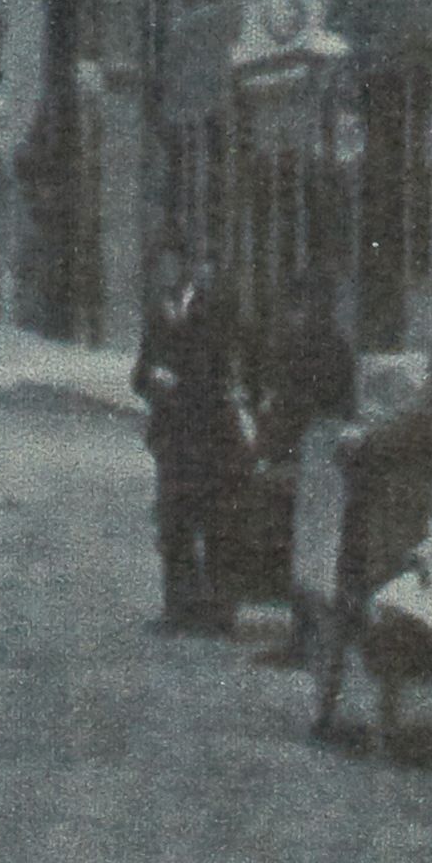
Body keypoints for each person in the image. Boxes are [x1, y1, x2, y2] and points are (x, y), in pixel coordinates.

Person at [132, 252, 254, 631]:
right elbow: (139, 375)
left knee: (217, 520)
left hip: (210, 433)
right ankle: (181, 609)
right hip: (176, 435)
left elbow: (231, 373)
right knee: (176, 521)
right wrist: (154, 382)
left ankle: (217, 610)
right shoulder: (161, 315)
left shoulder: (223, 317)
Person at [254, 279, 361, 667]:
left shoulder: (325, 350)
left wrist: (275, 433)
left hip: (317, 456)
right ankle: (304, 636)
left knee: (311, 549)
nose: (294, 317)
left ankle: (308, 640)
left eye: (300, 308)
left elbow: (309, 405)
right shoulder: (308, 347)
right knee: (300, 547)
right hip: (302, 455)